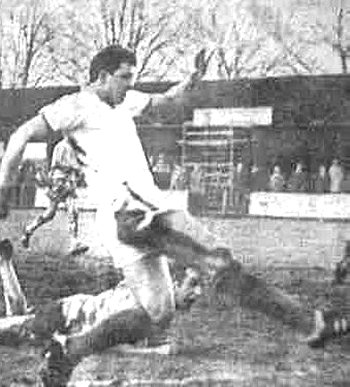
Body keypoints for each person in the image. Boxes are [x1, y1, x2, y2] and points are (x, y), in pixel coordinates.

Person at [0, 45, 311, 352]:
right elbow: (20, 137)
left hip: (134, 214)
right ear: (102, 76)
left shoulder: (126, 101)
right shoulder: (75, 105)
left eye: (132, 78)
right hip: (132, 212)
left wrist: (193, 77)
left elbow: (167, 99)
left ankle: (70, 350)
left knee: (159, 311)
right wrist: (4, 189)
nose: (129, 85)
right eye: (124, 78)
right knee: (218, 263)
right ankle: (309, 323)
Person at [0, 238, 202, 386]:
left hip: (71, 317)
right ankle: (5, 264)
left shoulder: (156, 309)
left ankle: (5, 264)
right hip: (66, 317)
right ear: (172, 283)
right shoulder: (148, 297)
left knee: (18, 321)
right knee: (14, 329)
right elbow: (111, 340)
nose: (198, 293)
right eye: (192, 284)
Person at [20, 137, 88, 255]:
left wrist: (78, 170)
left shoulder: (71, 148)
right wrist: (73, 167)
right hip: (60, 182)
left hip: (68, 182)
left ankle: (74, 243)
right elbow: (56, 165)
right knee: (54, 213)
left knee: (64, 212)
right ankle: (29, 230)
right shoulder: (61, 146)